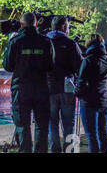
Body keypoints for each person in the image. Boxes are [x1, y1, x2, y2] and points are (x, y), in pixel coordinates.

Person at [2, 12, 53, 153]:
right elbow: (51, 65)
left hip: (21, 88)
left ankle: (25, 150)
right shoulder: (46, 41)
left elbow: (8, 65)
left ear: (21, 24)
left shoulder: (15, 41)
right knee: (41, 125)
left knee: (22, 124)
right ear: (36, 24)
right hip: (41, 88)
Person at [46, 16, 83, 153]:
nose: (68, 30)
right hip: (67, 87)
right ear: (63, 27)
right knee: (69, 124)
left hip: (48, 88)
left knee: (52, 123)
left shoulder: (45, 42)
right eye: (68, 27)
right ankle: (70, 150)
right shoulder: (71, 44)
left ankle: (55, 150)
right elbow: (80, 66)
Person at [75, 33, 107, 153]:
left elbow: (81, 81)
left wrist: (77, 93)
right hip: (104, 100)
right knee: (103, 132)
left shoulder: (88, 60)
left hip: (89, 102)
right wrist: (104, 88)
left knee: (92, 134)